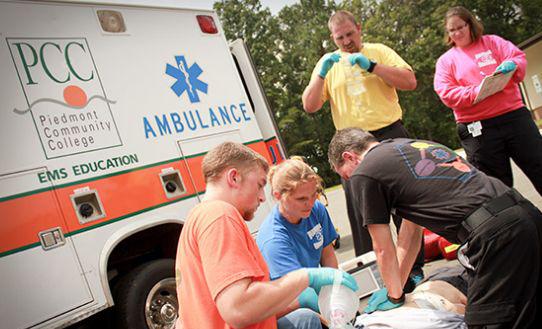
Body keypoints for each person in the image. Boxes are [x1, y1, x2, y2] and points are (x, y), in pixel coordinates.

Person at [328, 127, 542, 328]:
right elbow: (410, 234)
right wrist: (395, 288)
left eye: (345, 175)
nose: (350, 181)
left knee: (486, 321)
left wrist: (393, 296)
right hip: (525, 214)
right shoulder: (409, 146)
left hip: (497, 234)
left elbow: (383, 248)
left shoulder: (364, 172)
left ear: (349, 157)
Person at [175, 142, 358, 329]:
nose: (263, 197)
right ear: (234, 178)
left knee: (305, 319)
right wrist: (306, 278)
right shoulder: (220, 215)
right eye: (260, 185)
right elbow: (237, 309)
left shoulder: (197, 217)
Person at [302, 10, 424, 283]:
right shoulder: (328, 63)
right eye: (339, 37)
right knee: (363, 213)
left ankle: (414, 270)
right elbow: (310, 105)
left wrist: (373, 66)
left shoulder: (379, 51)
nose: (346, 42)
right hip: (351, 144)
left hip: (389, 133)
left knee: (405, 202)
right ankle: (377, 275)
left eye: (349, 34)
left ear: (359, 28)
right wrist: (321, 74)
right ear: (332, 38)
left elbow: (410, 82)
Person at [434, 6, 542, 196]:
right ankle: (514, 224)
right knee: (496, 187)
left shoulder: (493, 42)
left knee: (538, 165)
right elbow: (446, 92)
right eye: (452, 30)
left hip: (514, 117)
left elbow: (517, 57)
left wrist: (513, 65)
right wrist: (476, 92)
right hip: (478, 128)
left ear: (470, 24)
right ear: (447, 33)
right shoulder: (446, 61)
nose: (457, 33)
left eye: (461, 27)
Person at [256, 157, 339, 314]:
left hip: (310, 291)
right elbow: (299, 291)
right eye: (301, 199)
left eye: (314, 195)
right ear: (278, 196)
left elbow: (327, 255)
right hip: (288, 303)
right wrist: (332, 317)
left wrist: (335, 290)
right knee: (309, 317)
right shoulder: (274, 239)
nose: (310, 203)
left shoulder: (316, 210)